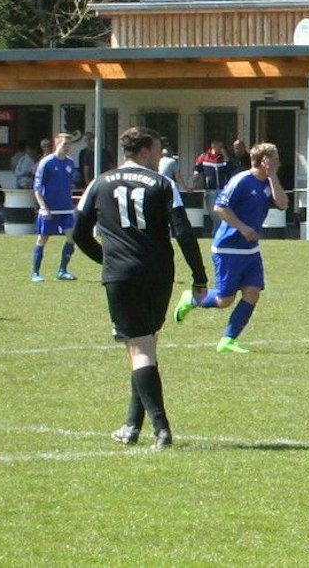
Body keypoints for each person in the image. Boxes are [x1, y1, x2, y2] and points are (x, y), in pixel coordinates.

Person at [71, 125, 209, 448]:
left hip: (121, 274)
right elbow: (184, 232)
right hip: (159, 273)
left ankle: (161, 430)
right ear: (145, 150)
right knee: (145, 346)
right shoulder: (163, 184)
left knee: (140, 350)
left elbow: (78, 232)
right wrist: (199, 276)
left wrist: (105, 258)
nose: (160, 155)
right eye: (158, 150)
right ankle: (132, 425)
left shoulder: (99, 182)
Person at [174, 141, 288, 352]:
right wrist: (243, 228)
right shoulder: (242, 180)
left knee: (252, 293)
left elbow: (283, 204)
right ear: (263, 160)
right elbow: (219, 207)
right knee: (224, 299)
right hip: (228, 248)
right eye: (275, 158)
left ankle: (228, 340)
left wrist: (273, 176)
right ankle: (191, 298)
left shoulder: (269, 182)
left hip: (251, 250)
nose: (279, 162)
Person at [30, 131, 88, 282]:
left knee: (71, 237)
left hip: (66, 209)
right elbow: (37, 188)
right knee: (43, 239)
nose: (67, 147)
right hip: (49, 209)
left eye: (69, 144)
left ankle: (62, 270)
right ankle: (35, 273)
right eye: (64, 144)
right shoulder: (47, 163)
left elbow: (67, 185)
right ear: (57, 144)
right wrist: (43, 207)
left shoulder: (69, 162)